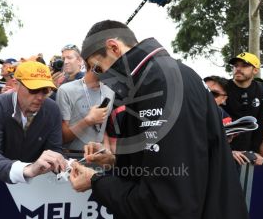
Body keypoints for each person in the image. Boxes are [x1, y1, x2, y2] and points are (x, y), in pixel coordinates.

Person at [69, 20, 248, 219]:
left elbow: (165, 203)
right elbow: (181, 161)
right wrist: (117, 161)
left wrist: (95, 182)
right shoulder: (167, 74)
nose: (102, 78)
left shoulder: (157, 83)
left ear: (113, 47)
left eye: (98, 69)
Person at [0, 61, 67, 183]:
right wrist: (26, 170)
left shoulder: (52, 109)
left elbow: (55, 149)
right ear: (15, 85)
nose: (40, 97)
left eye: (46, 90)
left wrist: (66, 165)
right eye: (34, 90)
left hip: (36, 187)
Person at [56, 58, 114, 152]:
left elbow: (103, 129)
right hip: (73, 157)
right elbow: (62, 137)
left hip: (98, 158)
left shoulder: (110, 92)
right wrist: (88, 121)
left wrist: (107, 151)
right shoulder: (66, 90)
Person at [204, 76, 263, 166]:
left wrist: (229, 152)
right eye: (203, 91)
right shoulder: (178, 109)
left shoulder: (224, 117)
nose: (206, 96)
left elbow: (219, 147)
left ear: (224, 99)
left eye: (214, 94)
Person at [222, 52, 263, 152]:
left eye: (245, 65)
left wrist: (255, 151)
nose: (238, 68)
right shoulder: (223, 87)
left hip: (248, 148)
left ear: (255, 70)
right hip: (223, 147)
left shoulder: (262, 89)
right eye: (236, 65)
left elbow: (260, 121)